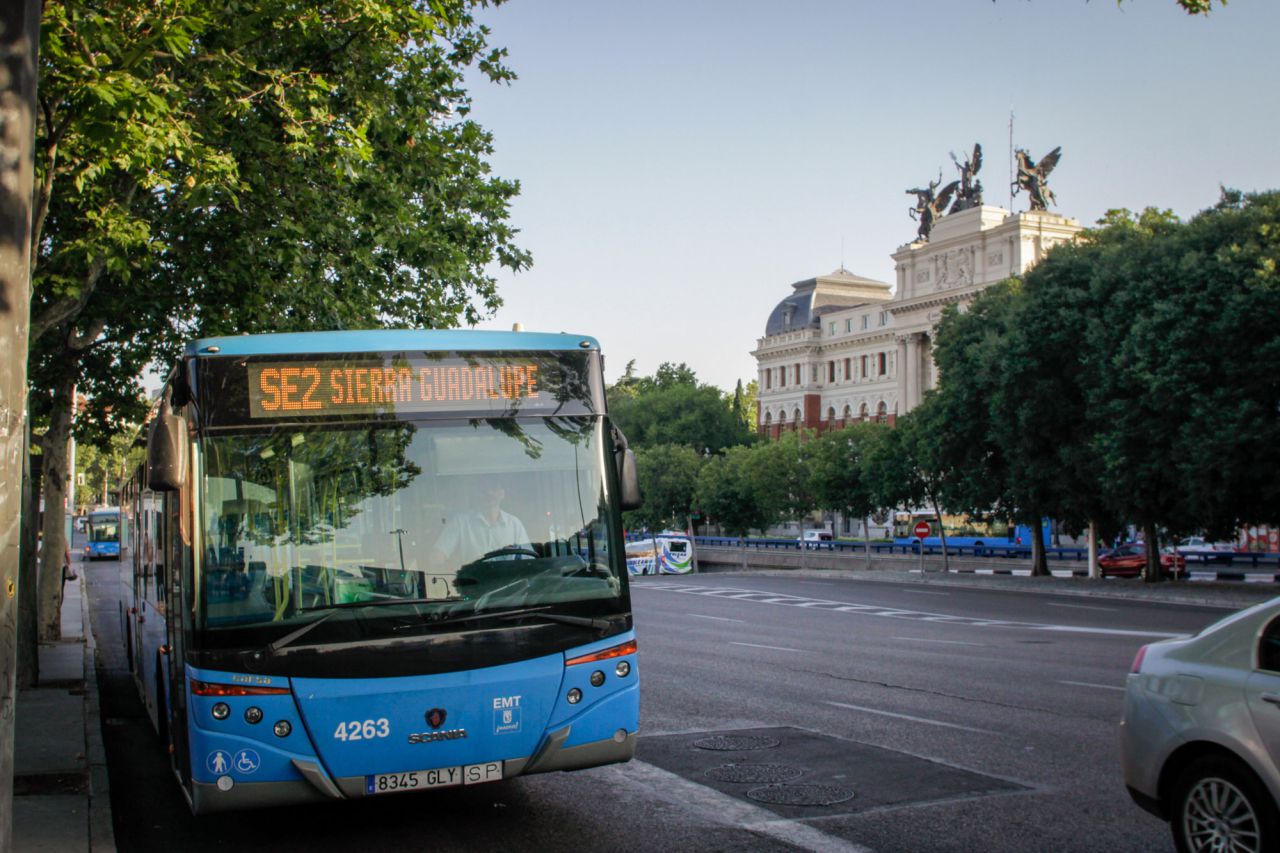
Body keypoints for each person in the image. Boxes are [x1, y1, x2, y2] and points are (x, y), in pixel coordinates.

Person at [429, 477, 533, 572]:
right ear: (477, 493)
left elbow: (529, 561)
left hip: (508, 587)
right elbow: (438, 556)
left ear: (502, 493)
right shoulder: (460, 522)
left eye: (494, 488)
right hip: (472, 587)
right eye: (484, 489)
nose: (489, 493)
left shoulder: (514, 524)